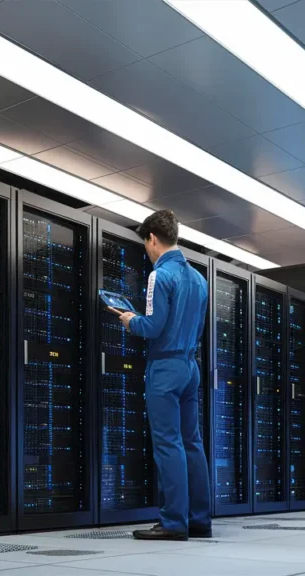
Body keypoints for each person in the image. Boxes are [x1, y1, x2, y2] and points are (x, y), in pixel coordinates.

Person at [110, 209, 211, 541]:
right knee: (192, 443)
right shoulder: (199, 279)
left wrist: (129, 321)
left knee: (168, 444)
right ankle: (199, 520)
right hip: (190, 367)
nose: (147, 250)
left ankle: (173, 523)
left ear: (152, 238)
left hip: (165, 367)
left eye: (145, 244)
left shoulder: (160, 275)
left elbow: (153, 327)